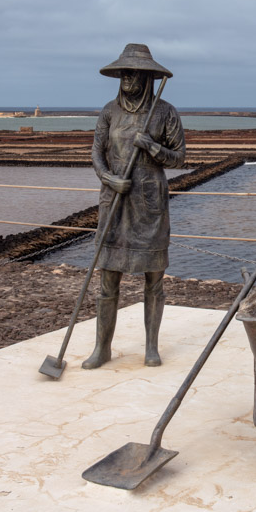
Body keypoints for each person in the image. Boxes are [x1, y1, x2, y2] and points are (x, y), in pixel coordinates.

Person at [82, 43, 186, 369]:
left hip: (149, 205)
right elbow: (96, 154)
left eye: (133, 73)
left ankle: (151, 348)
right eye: (123, 72)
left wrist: (152, 147)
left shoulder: (165, 112)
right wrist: (109, 179)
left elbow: (179, 156)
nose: (127, 78)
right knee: (107, 278)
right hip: (115, 200)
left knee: (154, 278)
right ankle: (102, 348)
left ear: (146, 77)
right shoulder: (108, 112)